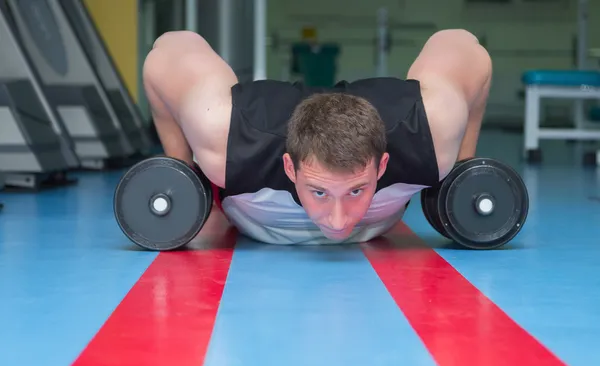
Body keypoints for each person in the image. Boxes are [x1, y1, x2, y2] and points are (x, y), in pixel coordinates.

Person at [142, 29, 492, 245]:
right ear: (290, 169)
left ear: (383, 165)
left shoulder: (428, 135)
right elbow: (166, 52)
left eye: (357, 190)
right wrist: (181, 169)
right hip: (261, 120)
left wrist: (463, 168)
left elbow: (465, 46)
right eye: (319, 191)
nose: (338, 220)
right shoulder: (227, 137)